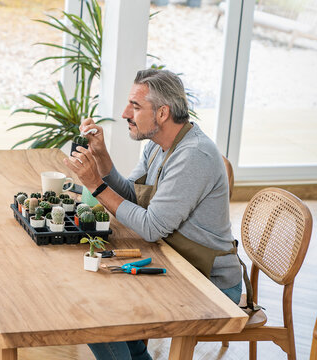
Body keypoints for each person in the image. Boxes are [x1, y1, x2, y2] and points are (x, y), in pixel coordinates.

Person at [63, 69, 243, 360]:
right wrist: (102, 158)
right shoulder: (158, 147)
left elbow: (150, 227)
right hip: (172, 260)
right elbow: (133, 195)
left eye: (135, 106)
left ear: (162, 113)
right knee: (96, 302)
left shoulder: (193, 155)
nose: (124, 113)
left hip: (209, 283)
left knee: (94, 313)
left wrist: (95, 184)